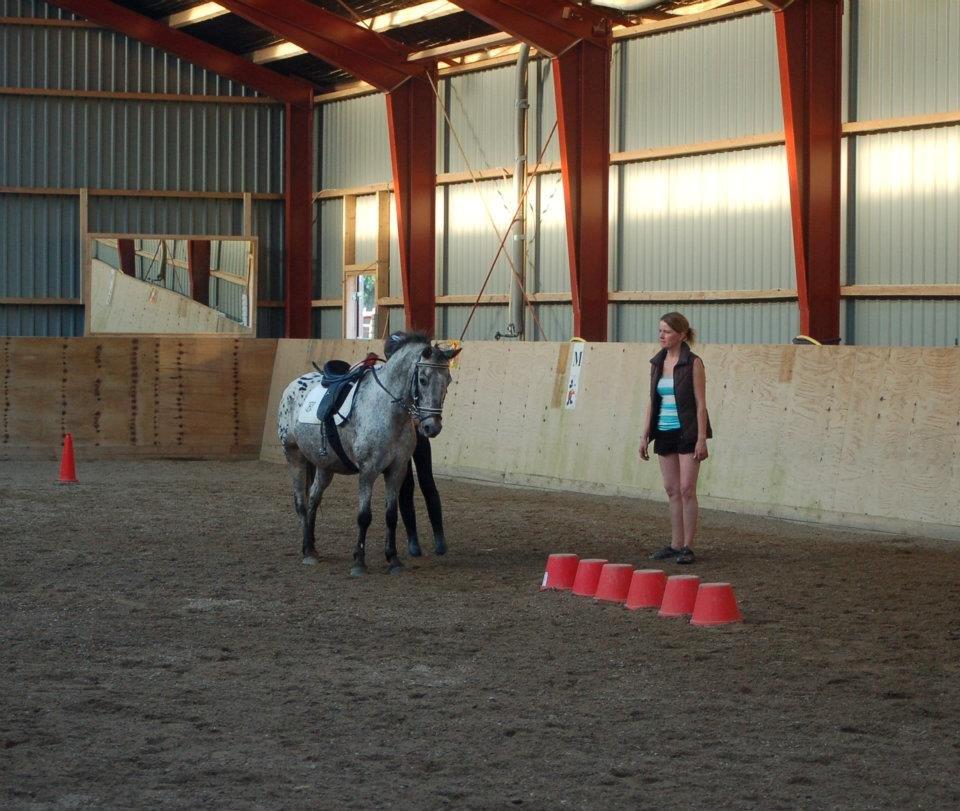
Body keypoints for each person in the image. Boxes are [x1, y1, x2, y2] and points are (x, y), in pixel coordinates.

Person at [639, 312, 712, 565]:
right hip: (664, 430)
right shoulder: (657, 363)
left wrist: (701, 438)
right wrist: (645, 432)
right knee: (671, 490)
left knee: (686, 489)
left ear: (681, 335)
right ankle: (675, 543)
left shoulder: (693, 363)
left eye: (667, 332)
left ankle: (688, 546)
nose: (662, 336)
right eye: (660, 331)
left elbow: (701, 403)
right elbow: (652, 400)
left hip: (687, 431)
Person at [384, 331, 447, 557]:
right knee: (406, 487)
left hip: (417, 433)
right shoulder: (390, 379)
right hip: (399, 436)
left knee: (427, 482)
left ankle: (438, 534)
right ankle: (412, 538)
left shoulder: (416, 374)